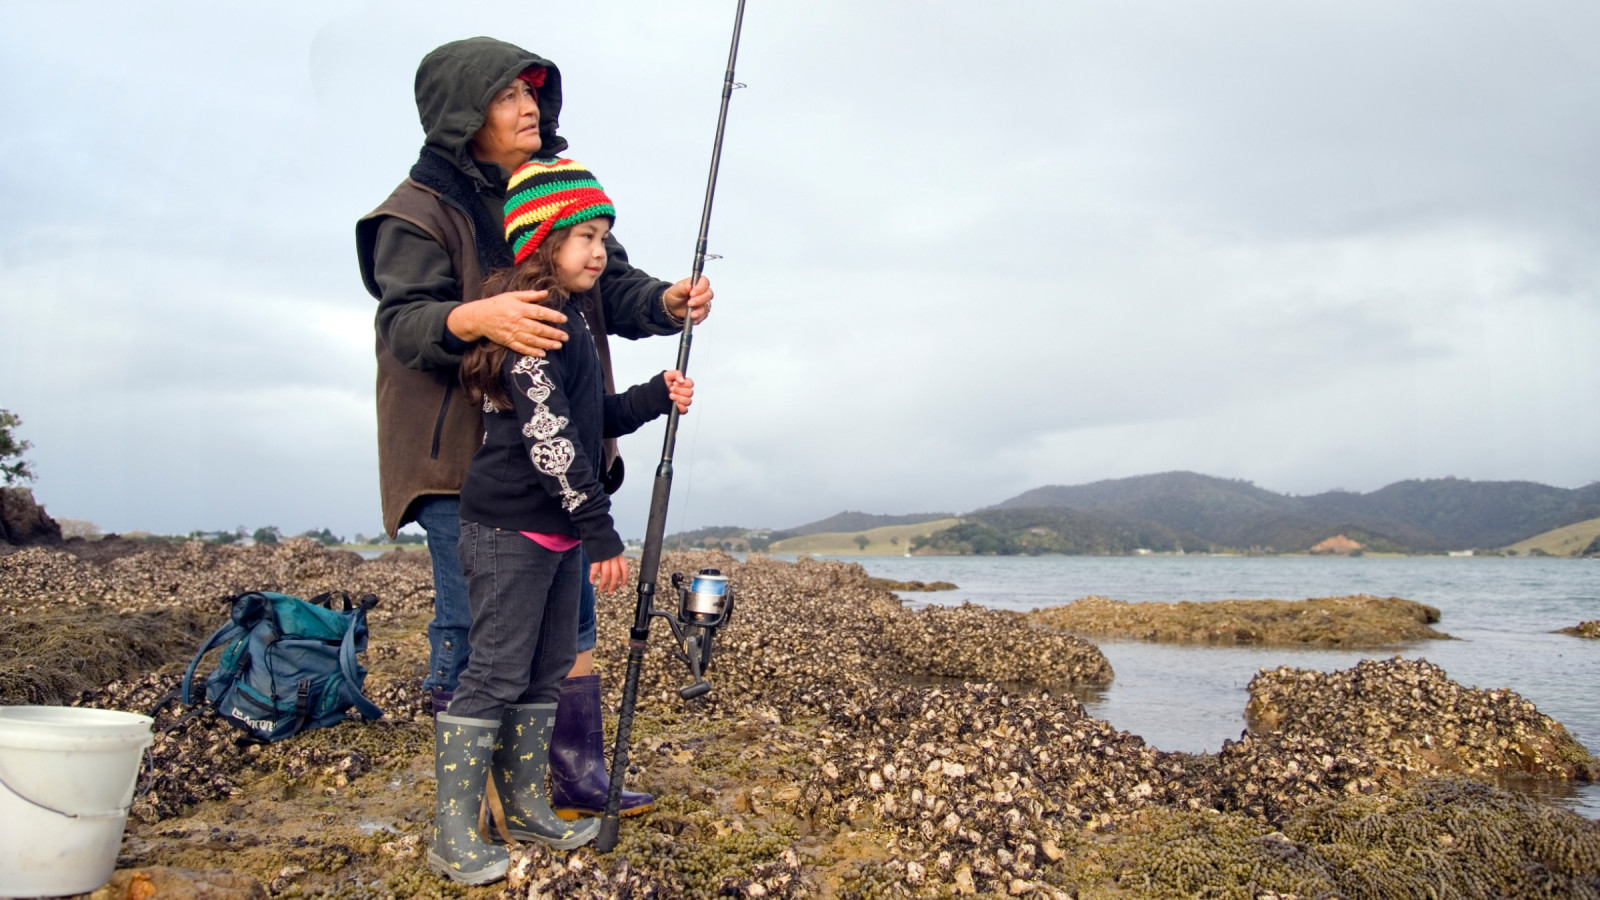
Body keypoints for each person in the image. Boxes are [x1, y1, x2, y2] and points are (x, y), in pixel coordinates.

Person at [355, 37, 709, 819]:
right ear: (461, 114)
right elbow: (405, 324)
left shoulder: (554, 187)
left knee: (570, 615)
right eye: (508, 96)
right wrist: (476, 315)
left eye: (534, 94)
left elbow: (608, 280)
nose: (530, 109)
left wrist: (662, 302)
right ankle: (470, 798)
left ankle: (571, 774)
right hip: (456, 461)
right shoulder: (411, 212)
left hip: (562, 459)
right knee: (469, 622)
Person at [428, 159, 692, 883]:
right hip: (509, 526)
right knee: (495, 672)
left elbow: (590, 416)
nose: (599, 250)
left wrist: (650, 396)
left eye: (604, 234)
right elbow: (549, 439)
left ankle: (530, 809)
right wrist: (602, 532)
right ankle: (451, 833)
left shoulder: (575, 318)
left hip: (555, 529)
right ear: (542, 240)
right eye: (583, 235)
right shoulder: (533, 321)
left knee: (545, 671)